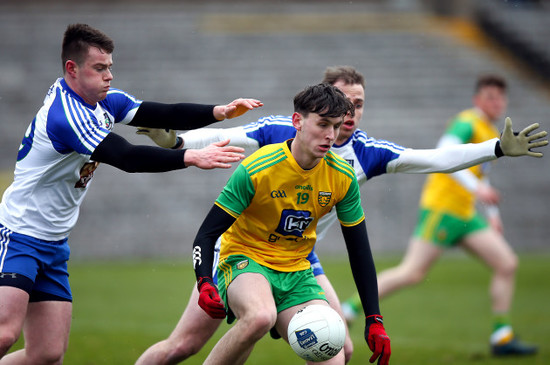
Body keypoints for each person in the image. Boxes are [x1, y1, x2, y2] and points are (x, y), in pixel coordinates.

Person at [135, 66, 547, 364]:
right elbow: (225, 137)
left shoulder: (362, 158)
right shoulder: (283, 133)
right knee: (183, 347)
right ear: (319, 105)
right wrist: (177, 140)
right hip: (239, 249)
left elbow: (434, 158)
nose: (349, 114)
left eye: (358, 105)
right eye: (341, 105)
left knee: (341, 348)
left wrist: (493, 148)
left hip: (300, 259)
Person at [0, 23, 263, 364]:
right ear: (72, 69)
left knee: (46, 353)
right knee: (5, 333)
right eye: (100, 68)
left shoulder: (103, 101)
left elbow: (162, 112)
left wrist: (219, 111)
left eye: (110, 66)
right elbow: (125, 157)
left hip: (53, 242)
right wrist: (191, 157)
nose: (109, 75)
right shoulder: (66, 115)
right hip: (19, 234)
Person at [341, 74, 545, 356]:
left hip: (466, 214)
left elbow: (479, 175)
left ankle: (502, 336)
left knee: (507, 263)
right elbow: (445, 150)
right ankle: (348, 309)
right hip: (443, 209)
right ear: (477, 100)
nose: (496, 102)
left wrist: (492, 212)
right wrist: (478, 188)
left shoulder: (487, 127)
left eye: (500, 97)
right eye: (489, 97)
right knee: (411, 273)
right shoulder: (467, 122)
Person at [191, 82, 390, 365]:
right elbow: (206, 234)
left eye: (336, 126)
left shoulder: (343, 177)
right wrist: (204, 280)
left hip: (296, 270)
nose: (330, 135)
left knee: (335, 354)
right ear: (297, 121)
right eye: (322, 124)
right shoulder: (257, 168)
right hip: (245, 260)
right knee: (261, 317)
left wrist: (374, 318)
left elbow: (359, 252)